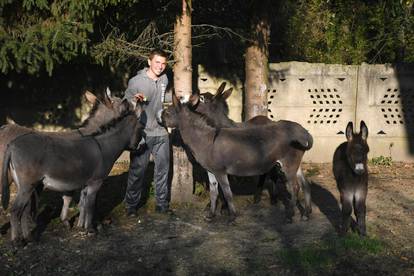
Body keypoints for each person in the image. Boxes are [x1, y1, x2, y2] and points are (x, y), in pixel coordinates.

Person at [123, 49, 172, 217]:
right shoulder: (136, 81)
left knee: (163, 170)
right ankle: (131, 205)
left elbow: (164, 99)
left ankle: (162, 204)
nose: (160, 66)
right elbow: (125, 104)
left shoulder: (165, 78)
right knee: (138, 171)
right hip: (142, 134)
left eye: (164, 63)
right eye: (157, 62)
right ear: (149, 62)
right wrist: (133, 99)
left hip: (161, 133)